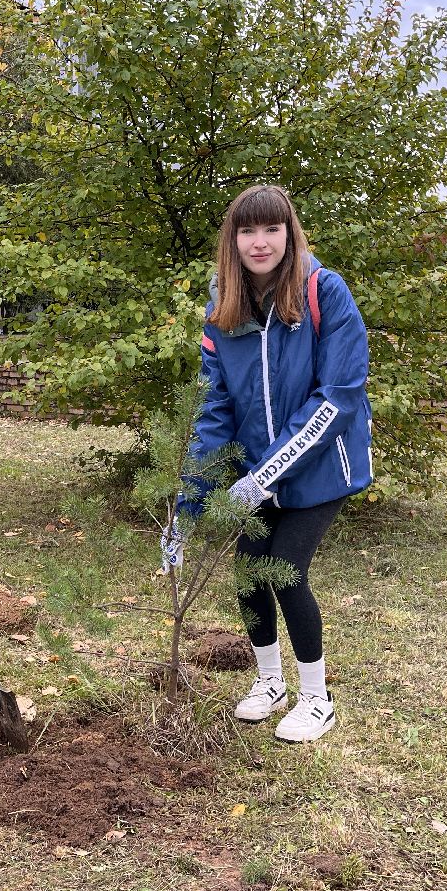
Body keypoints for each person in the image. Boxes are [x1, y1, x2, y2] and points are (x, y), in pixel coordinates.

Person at [163, 185, 372, 743]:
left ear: (289, 233)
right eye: (248, 231)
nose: (260, 242)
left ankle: (316, 697)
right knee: (248, 570)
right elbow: (214, 410)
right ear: (232, 240)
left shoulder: (324, 292)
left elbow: (338, 395)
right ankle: (270, 681)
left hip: (323, 464)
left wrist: (267, 475)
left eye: (272, 229)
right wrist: (187, 505)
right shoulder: (223, 307)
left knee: (286, 567)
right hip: (258, 470)